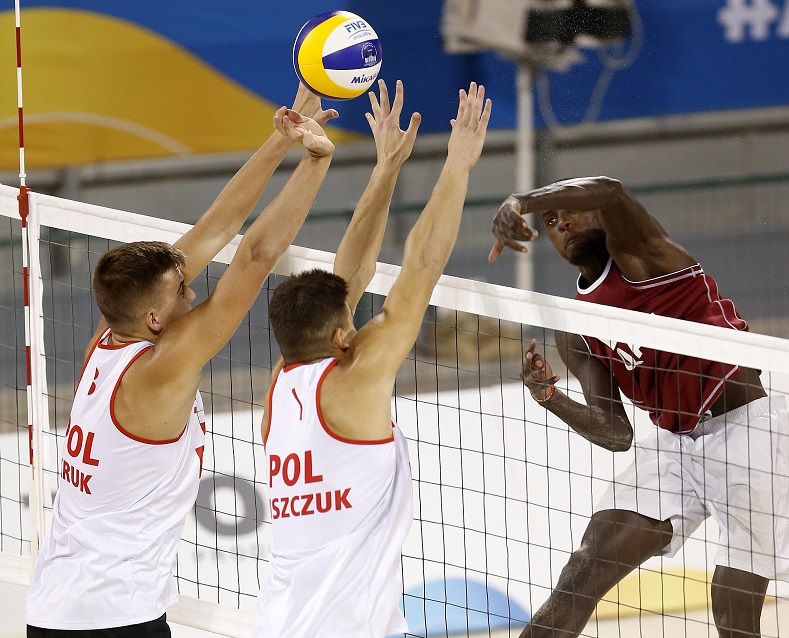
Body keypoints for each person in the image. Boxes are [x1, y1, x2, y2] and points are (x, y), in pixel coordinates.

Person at [25, 84, 338, 637]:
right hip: (112, 621)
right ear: (153, 317)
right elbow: (256, 257)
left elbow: (218, 227)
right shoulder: (158, 371)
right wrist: (315, 162)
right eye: (180, 292)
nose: (191, 294)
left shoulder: (109, 337)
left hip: (56, 610)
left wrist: (281, 137)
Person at [488, 176, 789, 638]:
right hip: (673, 445)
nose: (563, 223)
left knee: (733, 609)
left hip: (746, 430)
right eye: (550, 222)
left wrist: (522, 201)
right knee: (583, 571)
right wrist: (551, 398)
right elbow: (618, 434)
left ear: (597, 214)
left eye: (570, 211)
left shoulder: (645, 256)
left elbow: (611, 189)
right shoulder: (574, 327)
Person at [255, 82, 491, 638]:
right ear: (342, 338)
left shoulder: (279, 387)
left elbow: (348, 278)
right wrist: (457, 164)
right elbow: (423, 265)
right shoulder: (357, 377)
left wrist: (386, 167)